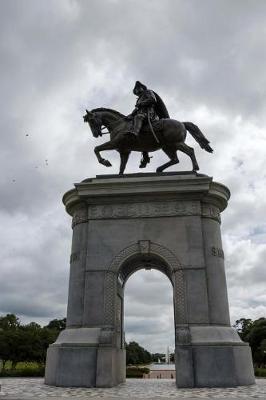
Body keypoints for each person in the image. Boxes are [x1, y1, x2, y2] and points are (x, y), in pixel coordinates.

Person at [126, 81, 169, 168]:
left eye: (138, 88)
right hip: (142, 115)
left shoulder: (148, 92)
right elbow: (137, 109)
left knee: (138, 118)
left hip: (150, 115)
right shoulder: (139, 98)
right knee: (140, 132)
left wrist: (141, 103)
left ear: (142, 88)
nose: (137, 90)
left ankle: (134, 133)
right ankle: (145, 157)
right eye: (136, 89)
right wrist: (130, 115)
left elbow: (153, 100)